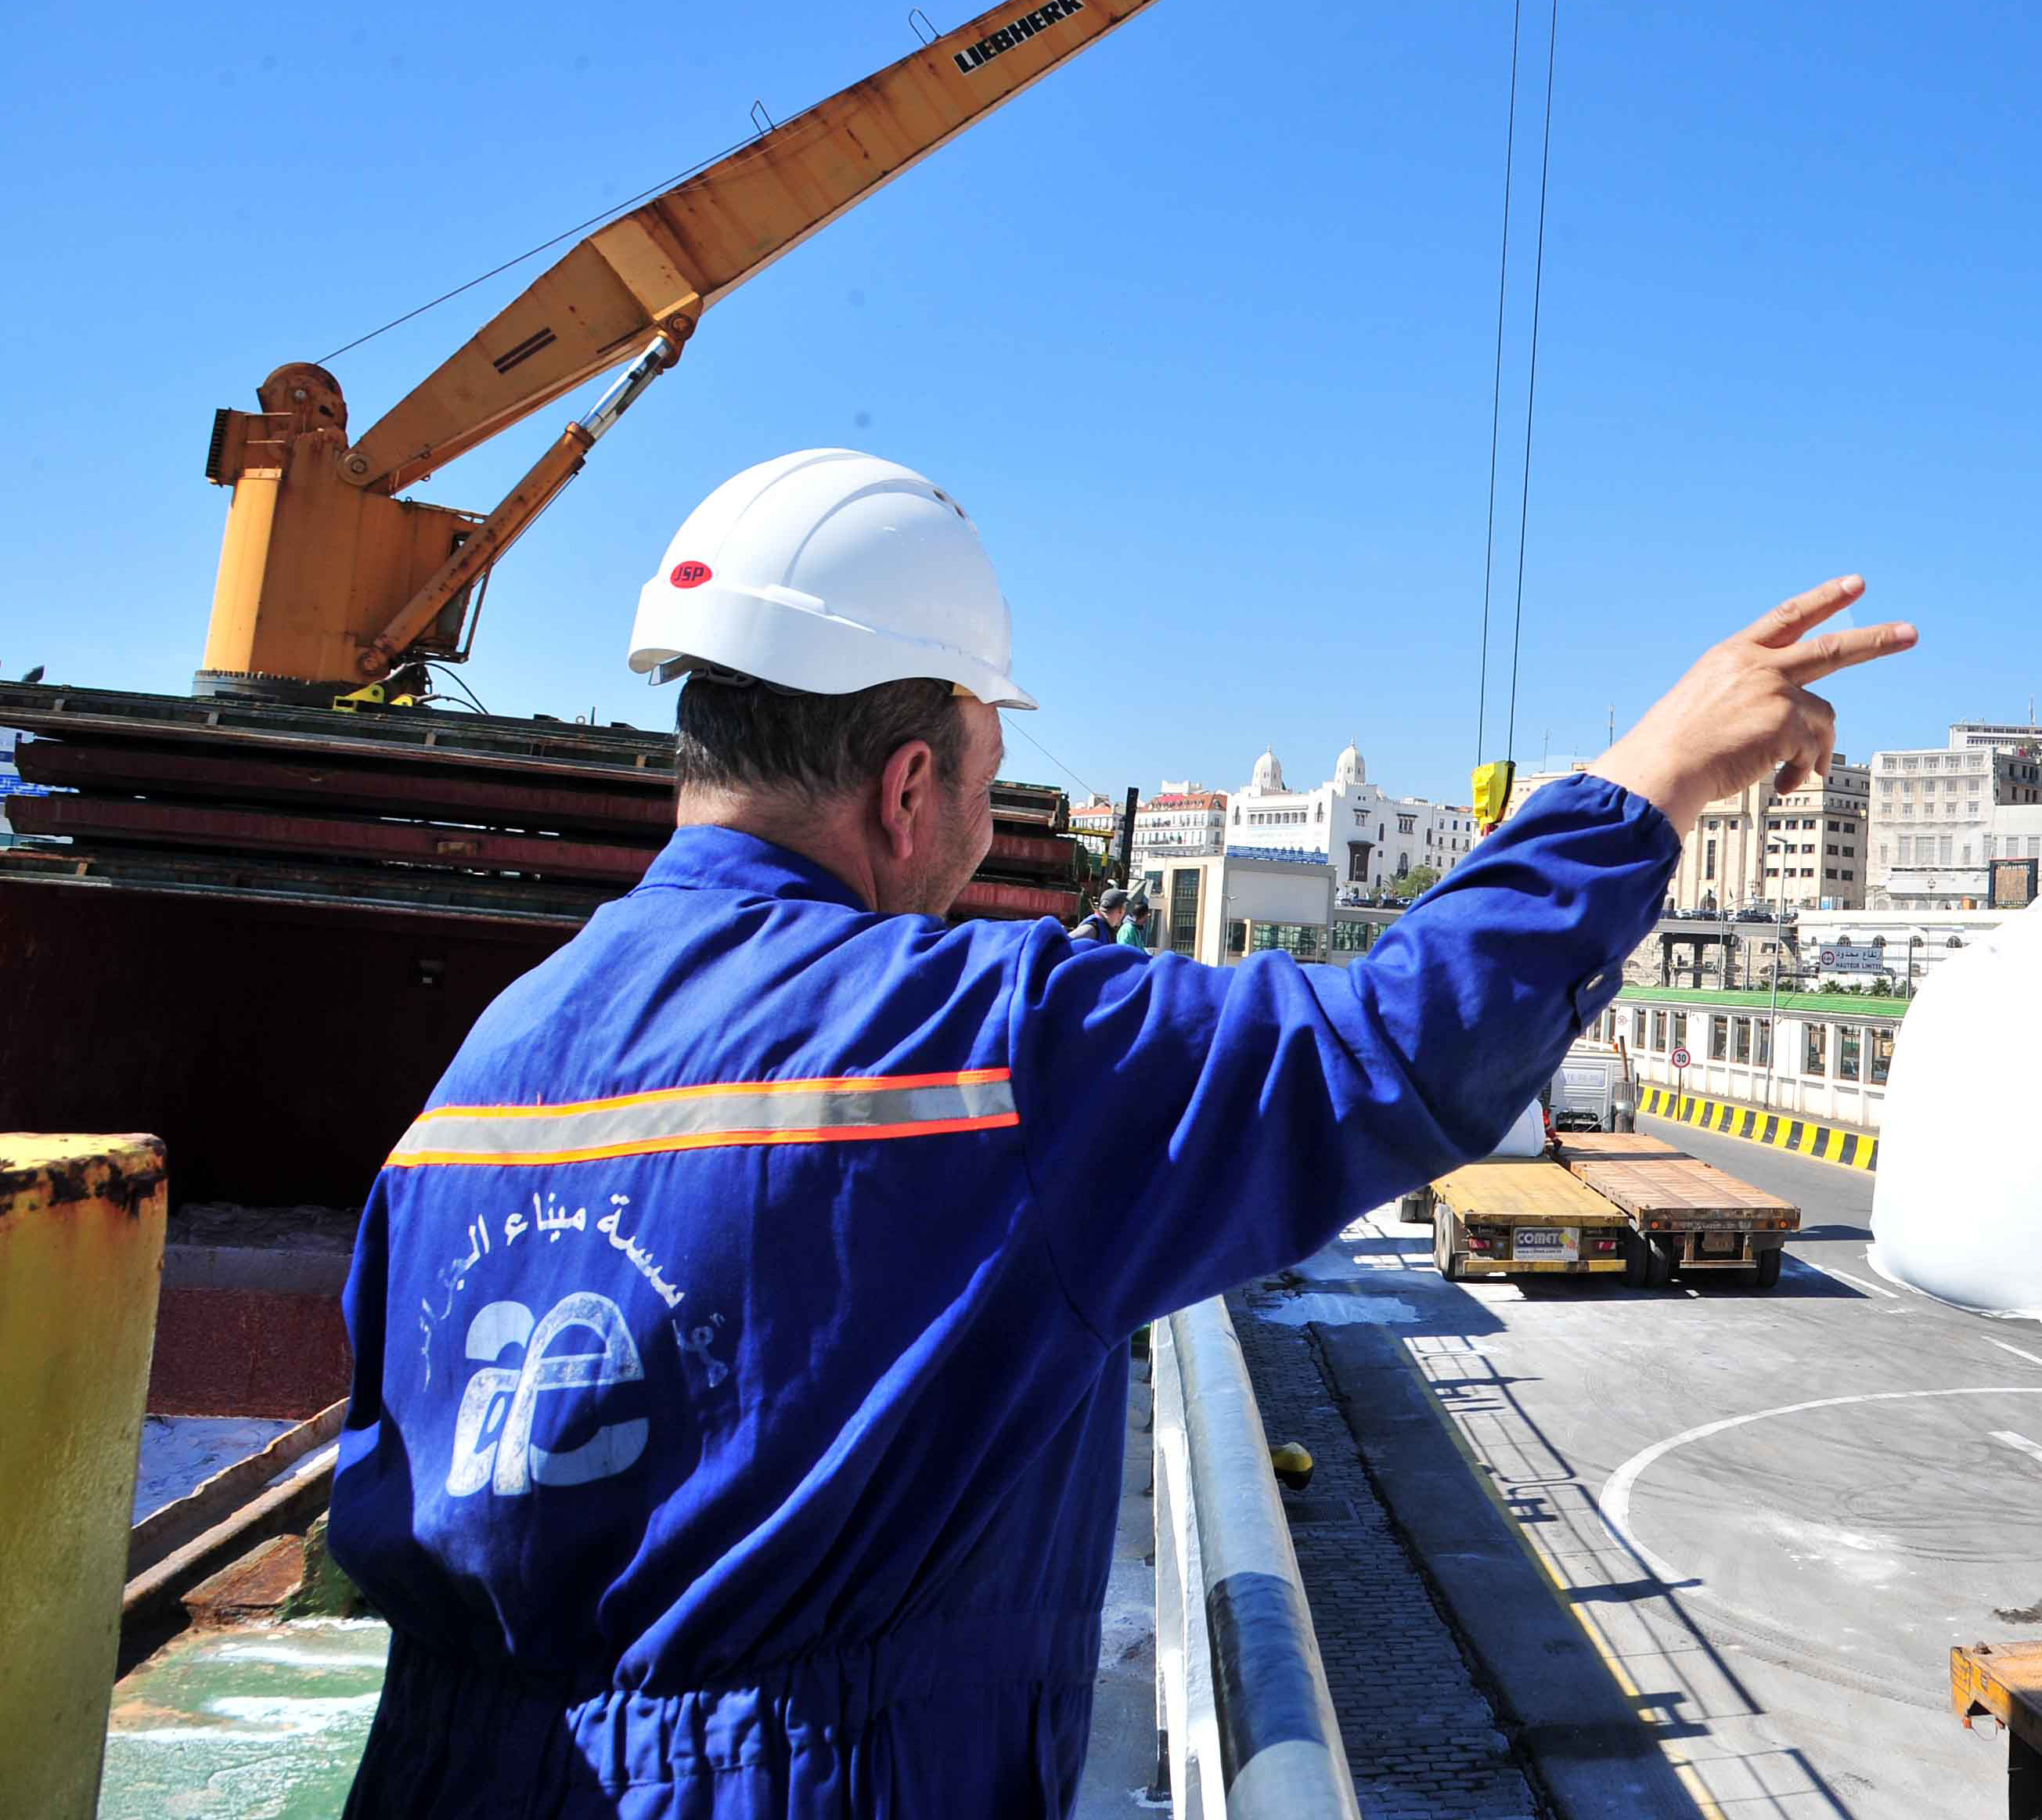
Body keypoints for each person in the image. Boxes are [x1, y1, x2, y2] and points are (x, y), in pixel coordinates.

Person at [325, 448, 1913, 1818]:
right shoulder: (984, 1046)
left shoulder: (485, 1061)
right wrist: (1647, 782)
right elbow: (1380, 1044)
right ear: (903, 787)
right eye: (987, 780)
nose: (978, 831)